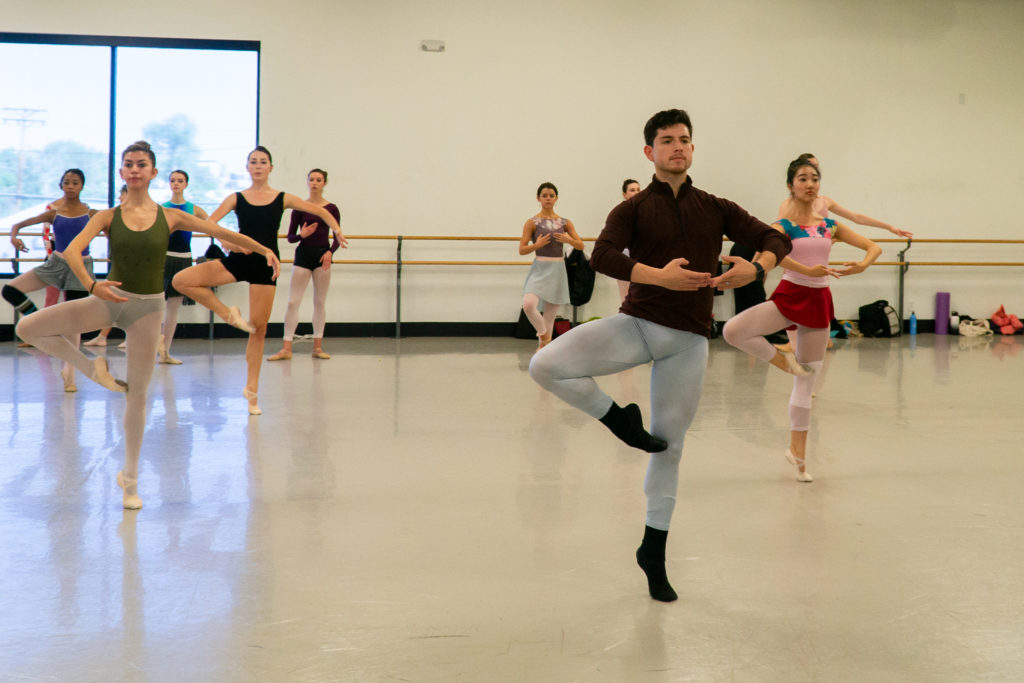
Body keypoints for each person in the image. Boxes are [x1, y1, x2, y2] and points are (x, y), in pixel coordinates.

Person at [529, 109, 792, 602]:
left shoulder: (716, 206)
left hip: (688, 341)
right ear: (649, 152)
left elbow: (775, 237)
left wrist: (757, 270)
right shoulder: (632, 209)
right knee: (545, 365)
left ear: (693, 149)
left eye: (685, 140)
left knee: (669, 447)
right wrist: (657, 276)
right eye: (667, 140)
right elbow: (602, 255)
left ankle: (653, 548)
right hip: (638, 326)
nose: (678, 147)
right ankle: (617, 418)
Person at [15, 140, 279, 510]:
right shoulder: (106, 216)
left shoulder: (169, 216)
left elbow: (220, 232)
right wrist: (92, 285)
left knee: (138, 396)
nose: (135, 169)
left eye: (142, 164)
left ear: (153, 172)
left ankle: (130, 479)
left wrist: (265, 249)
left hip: (147, 311)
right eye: (128, 164)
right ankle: (91, 369)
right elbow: (73, 251)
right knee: (28, 328)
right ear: (122, 173)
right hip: (108, 302)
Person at [722, 157, 881, 483]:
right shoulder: (782, 227)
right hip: (789, 296)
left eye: (814, 178)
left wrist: (863, 264)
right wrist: (754, 268)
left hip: (819, 301)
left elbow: (872, 247)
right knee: (734, 330)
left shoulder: (829, 226)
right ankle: (782, 362)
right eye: (802, 178)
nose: (810, 184)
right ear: (790, 185)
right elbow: (771, 257)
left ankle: (798, 455)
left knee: (806, 383)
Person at [172, 146, 345, 415]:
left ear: (271, 167)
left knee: (258, 328)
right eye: (253, 161)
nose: (258, 165)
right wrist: (228, 242)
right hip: (241, 259)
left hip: (266, 264)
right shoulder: (237, 198)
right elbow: (210, 224)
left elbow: (320, 211)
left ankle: (251, 392)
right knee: (181, 280)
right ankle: (228, 314)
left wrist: (336, 230)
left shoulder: (282, 198)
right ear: (247, 167)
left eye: (263, 162)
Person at [5, 169, 100, 391]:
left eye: (75, 183)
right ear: (61, 186)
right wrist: (14, 238)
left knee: (74, 321)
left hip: (81, 266)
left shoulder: (92, 213)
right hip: (55, 264)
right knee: (10, 290)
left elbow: (114, 228)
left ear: (82, 186)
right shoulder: (54, 213)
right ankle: (40, 320)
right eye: (66, 182)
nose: (70, 186)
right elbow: (17, 225)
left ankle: (70, 370)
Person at [267, 168, 342, 361]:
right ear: (307, 182)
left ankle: (317, 347)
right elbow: (291, 237)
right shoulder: (300, 207)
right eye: (312, 179)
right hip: (303, 255)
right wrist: (303, 235)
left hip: (321, 256)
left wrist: (330, 252)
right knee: (293, 301)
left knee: (319, 301)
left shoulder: (331, 208)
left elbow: (337, 235)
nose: (315, 183)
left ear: (324, 183)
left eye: (319, 180)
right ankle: (286, 347)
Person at [518, 182, 584, 349]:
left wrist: (569, 240)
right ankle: (543, 334)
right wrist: (536, 245)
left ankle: (544, 351)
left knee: (550, 315)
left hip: (557, 269)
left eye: (551, 196)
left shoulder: (564, 222)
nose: (548, 198)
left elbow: (580, 245)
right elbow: (522, 249)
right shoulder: (531, 222)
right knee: (528, 304)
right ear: (538, 198)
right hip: (540, 268)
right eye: (544, 196)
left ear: (556, 198)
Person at [154, 169, 209, 364]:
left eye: (180, 181)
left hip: (184, 259)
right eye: (173, 181)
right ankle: (151, 345)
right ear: (169, 184)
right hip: (165, 259)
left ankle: (166, 351)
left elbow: (211, 224)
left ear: (186, 184)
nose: (176, 184)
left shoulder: (194, 209)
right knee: (157, 305)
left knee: (173, 308)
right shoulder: (163, 208)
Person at [83, 184, 129, 349]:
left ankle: (129, 335)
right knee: (113, 301)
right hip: (119, 262)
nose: (119, 198)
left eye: (121, 195)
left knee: (126, 301)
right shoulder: (114, 215)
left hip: (130, 264)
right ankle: (103, 335)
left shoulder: (133, 217)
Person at [617, 179, 642, 303]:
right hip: (625, 256)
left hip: (642, 257)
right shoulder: (620, 212)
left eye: (638, 190)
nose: (636, 192)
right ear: (624, 194)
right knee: (625, 296)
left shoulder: (646, 212)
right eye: (632, 190)